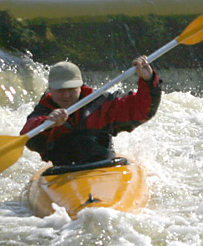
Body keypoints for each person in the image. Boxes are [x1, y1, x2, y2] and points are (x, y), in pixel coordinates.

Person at [20, 57, 162, 166]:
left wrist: (148, 81)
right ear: (50, 89)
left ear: (80, 86)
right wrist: (48, 124)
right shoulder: (44, 111)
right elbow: (29, 138)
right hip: (64, 171)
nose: (66, 95)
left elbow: (142, 111)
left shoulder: (100, 102)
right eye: (61, 90)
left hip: (103, 166)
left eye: (71, 89)